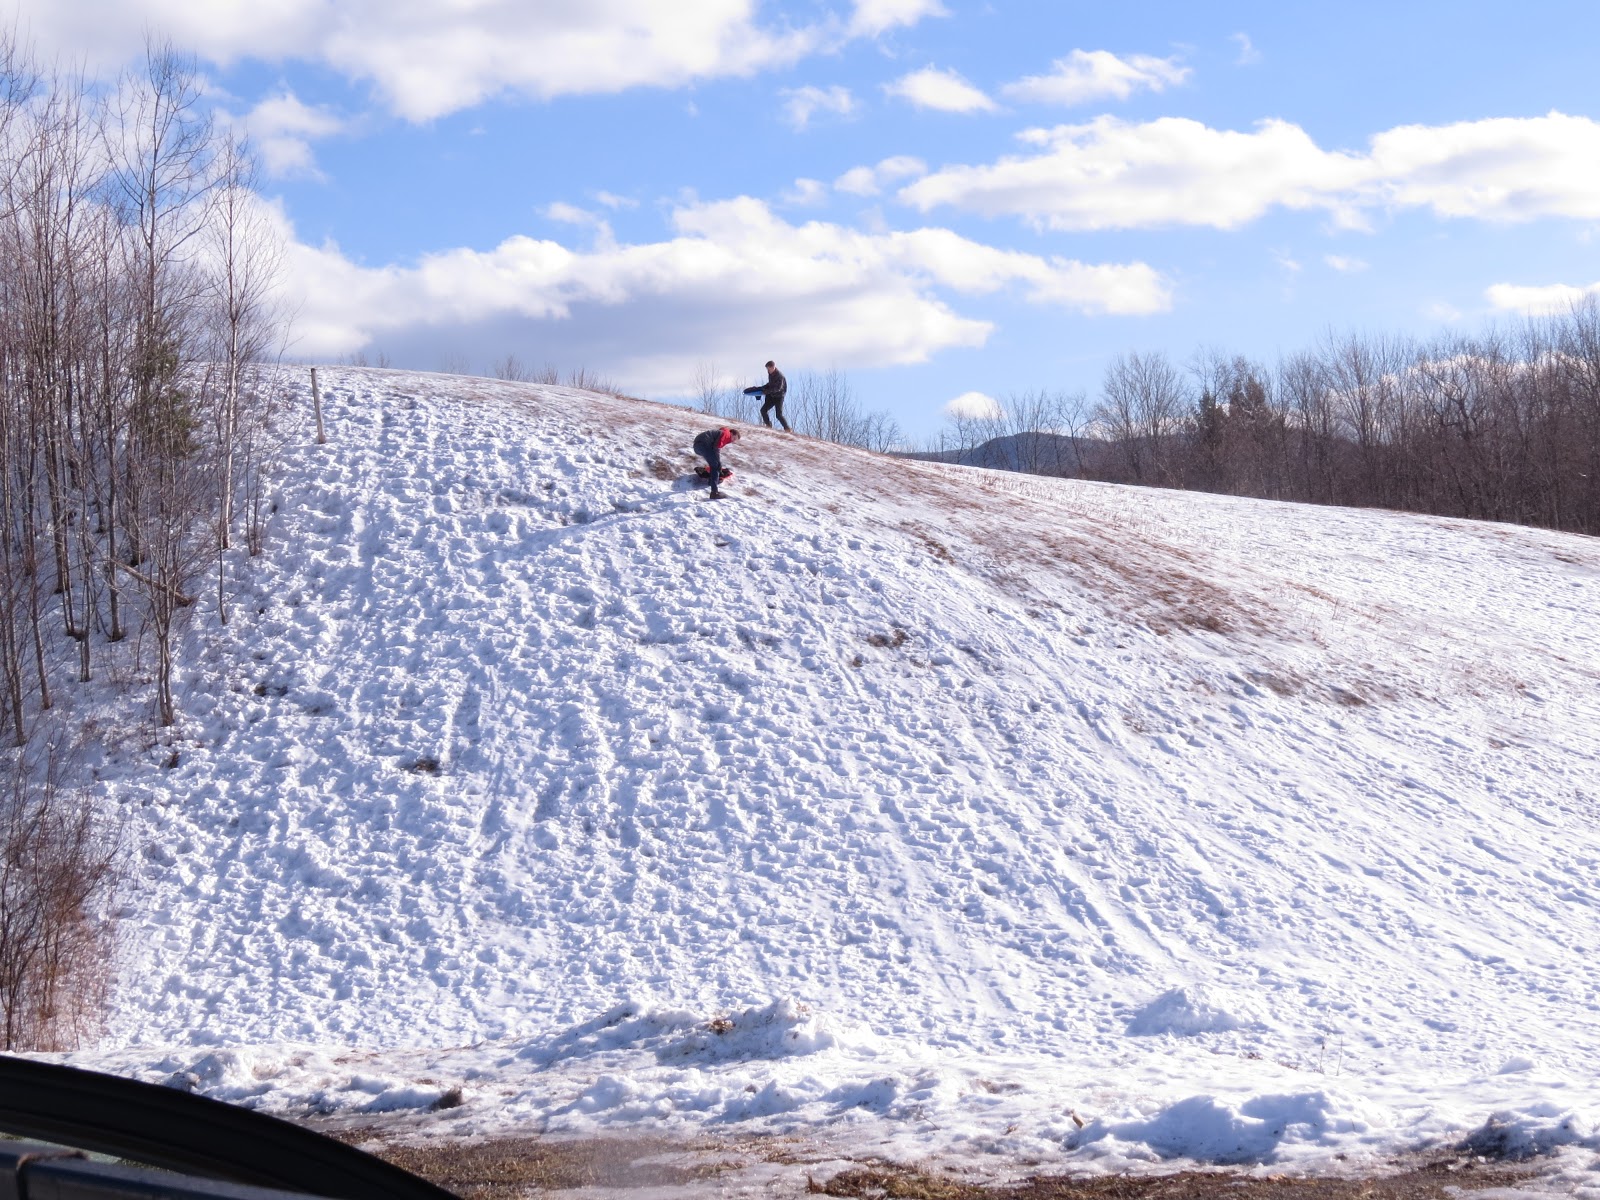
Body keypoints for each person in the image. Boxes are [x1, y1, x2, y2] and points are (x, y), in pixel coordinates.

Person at [693, 426, 740, 499]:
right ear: (731, 433)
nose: (733, 441)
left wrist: (719, 463)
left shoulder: (722, 434)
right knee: (715, 466)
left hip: (699, 446)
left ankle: (712, 482)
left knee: (715, 465)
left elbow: (716, 450)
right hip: (703, 445)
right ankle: (714, 492)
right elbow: (716, 449)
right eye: (734, 438)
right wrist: (718, 464)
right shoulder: (726, 434)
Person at [742, 360, 790, 431]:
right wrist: (762, 388)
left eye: (769, 369)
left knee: (778, 415)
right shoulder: (770, 374)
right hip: (771, 395)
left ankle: (787, 429)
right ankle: (768, 425)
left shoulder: (780, 376)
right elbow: (771, 384)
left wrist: (767, 391)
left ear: (773, 367)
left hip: (779, 397)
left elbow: (778, 388)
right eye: (767, 369)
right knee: (763, 410)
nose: (768, 370)